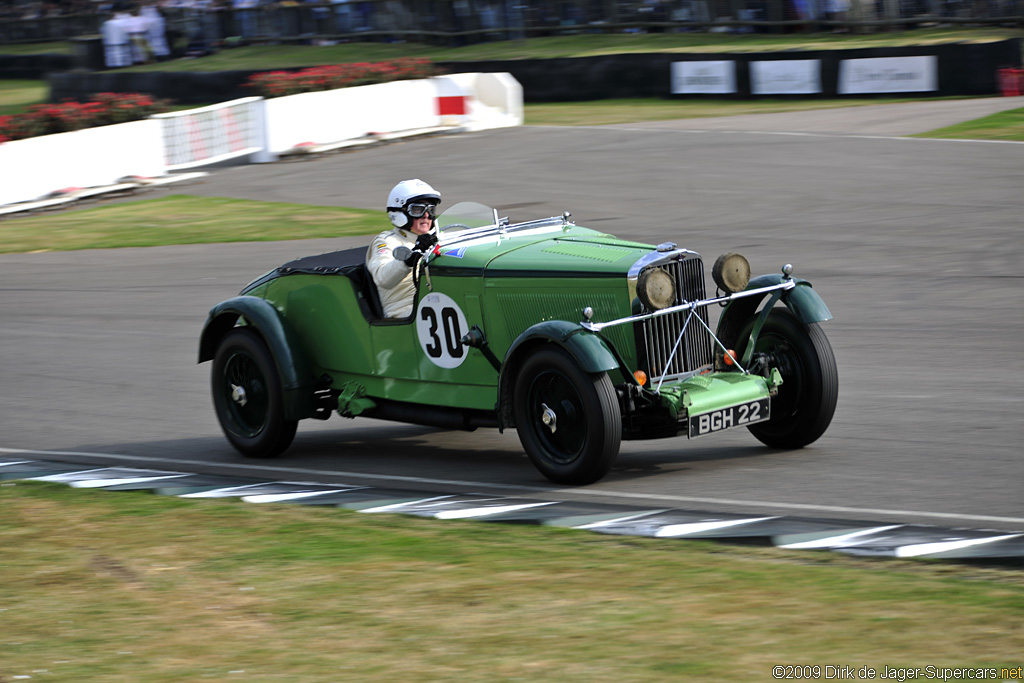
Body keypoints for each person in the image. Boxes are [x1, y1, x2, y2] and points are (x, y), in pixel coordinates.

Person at [366, 179, 441, 319]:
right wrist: (411, 258)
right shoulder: (386, 240)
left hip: (436, 298)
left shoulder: (438, 236)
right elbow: (383, 278)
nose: (426, 215)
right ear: (400, 213)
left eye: (430, 209)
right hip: (404, 310)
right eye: (418, 209)